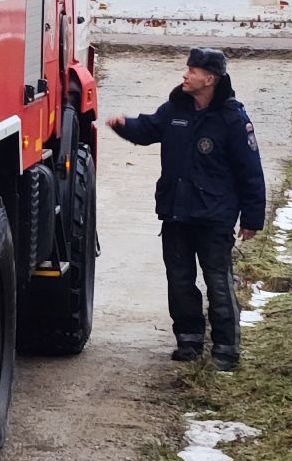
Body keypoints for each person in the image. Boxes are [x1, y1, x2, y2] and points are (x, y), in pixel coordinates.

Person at [105, 48, 266, 371]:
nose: (185, 75)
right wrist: (124, 125)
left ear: (210, 79)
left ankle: (226, 349)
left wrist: (251, 218)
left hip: (214, 217)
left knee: (218, 281)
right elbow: (149, 128)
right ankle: (189, 339)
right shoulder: (176, 109)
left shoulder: (232, 119)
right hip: (176, 213)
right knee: (179, 280)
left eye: (192, 71)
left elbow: (250, 170)